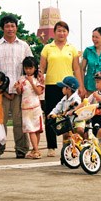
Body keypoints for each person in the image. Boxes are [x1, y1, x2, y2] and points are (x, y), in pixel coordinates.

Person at [0, 15, 32, 159]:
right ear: (2, 28)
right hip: (0, 92)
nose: (10, 29)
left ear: (16, 27)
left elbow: (31, 64)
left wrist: (37, 75)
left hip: (19, 90)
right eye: (7, 26)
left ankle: (22, 150)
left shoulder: (24, 45)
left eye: (12, 26)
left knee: (19, 122)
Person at [39, 21, 85, 157]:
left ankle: (69, 144)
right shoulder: (47, 48)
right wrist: (40, 81)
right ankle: (51, 146)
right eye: (59, 30)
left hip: (69, 87)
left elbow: (76, 68)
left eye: (64, 31)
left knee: (70, 115)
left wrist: (80, 85)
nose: (61, 33)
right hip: (52, 85)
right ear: (54, 32)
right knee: (51, 115)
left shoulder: (72, 48)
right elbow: (42, 67)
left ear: (68, 33)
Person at [76, 70, 101, 159]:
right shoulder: (95, 93)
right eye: (96, 82)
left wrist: (99, 98)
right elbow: (85, 102)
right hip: (95, 118)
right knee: (87, 131)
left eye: (98, 82)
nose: (96, 84)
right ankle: (87, 149)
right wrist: (75, 110)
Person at [14, 57, 44, 159]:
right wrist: (18, 88)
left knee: (36, 130)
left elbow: (39, 92)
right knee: (31, 130)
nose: (28, 70)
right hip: (25, 108)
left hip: (35, 107)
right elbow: (20, 92)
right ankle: (35, 150)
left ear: (35, 68)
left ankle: (35, 149)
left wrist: (31, 82)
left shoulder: (38, 79)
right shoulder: (22, 79)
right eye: (26, 68)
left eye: (30, 68)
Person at [47, 76, 84, 146]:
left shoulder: (76, 98)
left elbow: (77, 103)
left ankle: (85, 142)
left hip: (77, 120)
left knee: (79, 130)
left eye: (63, 87)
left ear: (69, 89)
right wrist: (52, 113)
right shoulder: (64, 99)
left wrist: (74, 106)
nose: (61, 89)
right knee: (65, 134)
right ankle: (65, 151)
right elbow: (58, 107)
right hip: (68, 121)